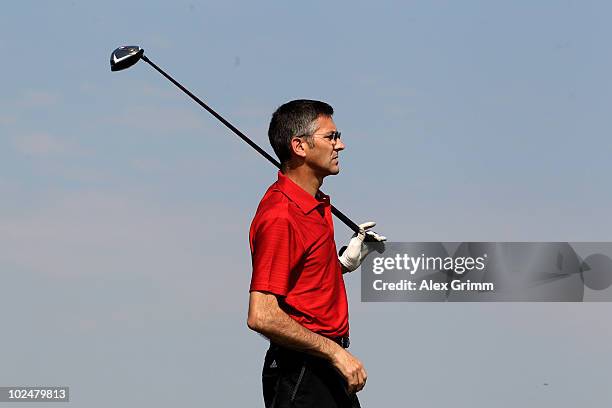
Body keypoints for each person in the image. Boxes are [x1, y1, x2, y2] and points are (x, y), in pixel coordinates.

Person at [247, 99, 385, 408]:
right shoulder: (281, 215)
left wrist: (341, 264)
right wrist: (335, 353)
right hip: (303, 372)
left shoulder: (314, 204)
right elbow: (262, 314)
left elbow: (301, 285)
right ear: (299, 146)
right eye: (331, 137)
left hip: (322, 368)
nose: (341, 145)